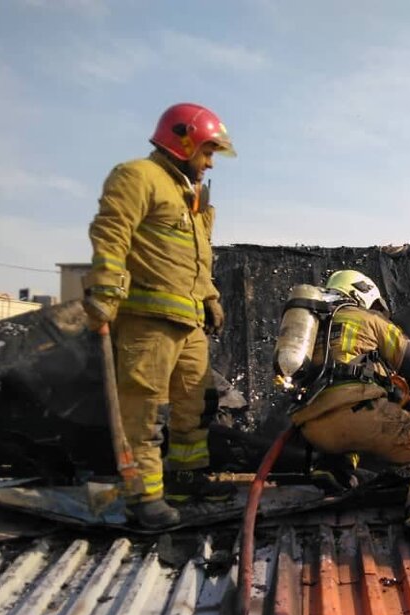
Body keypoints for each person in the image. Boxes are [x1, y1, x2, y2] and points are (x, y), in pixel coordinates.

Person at [82, 103, 237, 528]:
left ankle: (187, 479)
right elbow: (112, 232)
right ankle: (143, 499)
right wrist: (106, 291)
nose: (209, 163)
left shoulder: (191, 198)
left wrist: (210, 296)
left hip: (189, 325)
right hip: (147, 321)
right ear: (182, 139)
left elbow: (196, 258)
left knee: (196, 405)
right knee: (143, 411)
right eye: (206, 152)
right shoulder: (137, 177)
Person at [288, 270, 410, 537]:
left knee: (348, 432)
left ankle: (334, 471)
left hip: (311, 428)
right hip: (359, 415)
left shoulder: (314, 326)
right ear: (362, 293)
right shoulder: (369, 320)